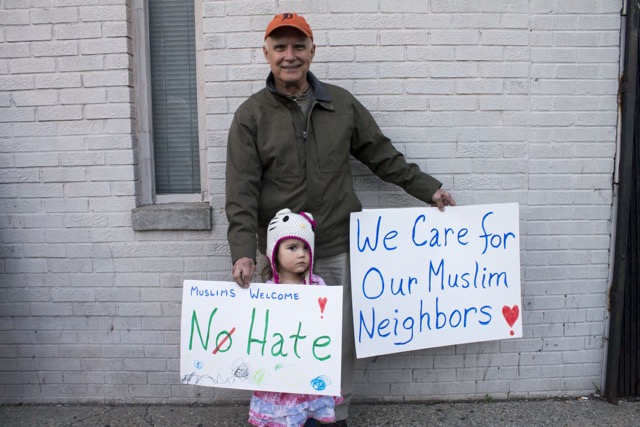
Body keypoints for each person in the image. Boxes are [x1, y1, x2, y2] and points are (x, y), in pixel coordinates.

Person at [226, 13, 456, 426]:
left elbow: (383, 156)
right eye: (280, 47)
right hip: (283, 259)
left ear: (313, 51)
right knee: (285, 343)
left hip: (339, 245)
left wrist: (428, 189)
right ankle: (287, 415)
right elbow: (240, 192)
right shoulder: (251, 116)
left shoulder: (342, 104)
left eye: (299, 46)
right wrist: (243, 252)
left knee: (339, 341)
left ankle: (334, 415)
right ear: (266, 53)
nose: (290, 56)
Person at [248, 209, 342, 427]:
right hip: (280, 375)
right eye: (292, 248)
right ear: (275, 253)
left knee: (311, 419)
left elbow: (327, 325)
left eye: (305, 249)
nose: (301, 254)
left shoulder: (318, 287)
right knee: (282, 419)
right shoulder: (267, 292)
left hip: (310, 372)